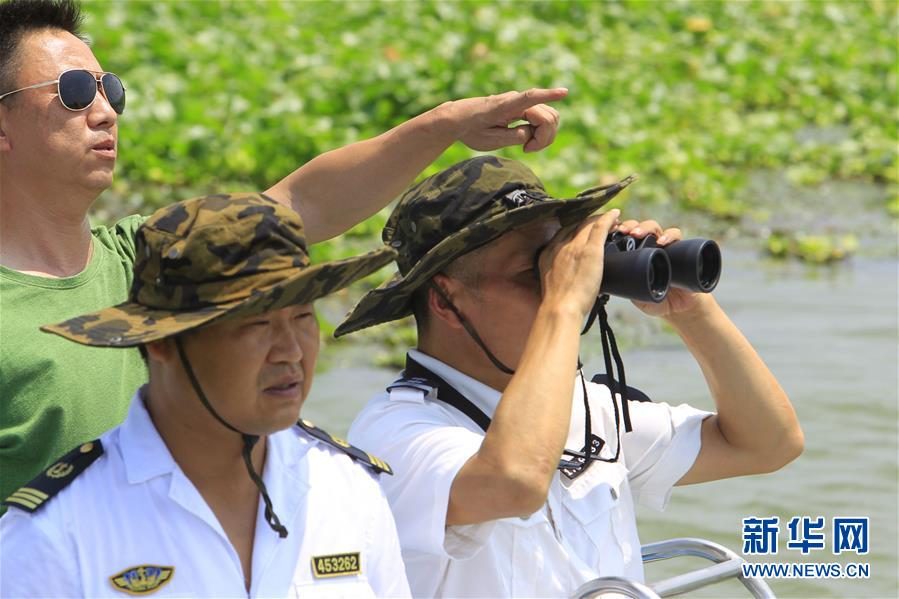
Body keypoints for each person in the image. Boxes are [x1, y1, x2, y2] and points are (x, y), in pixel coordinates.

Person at [0, 0, 565, 504]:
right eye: (74, 92)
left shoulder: (147, 261)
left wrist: (447, 124)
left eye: (110, 89)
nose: (105, 112)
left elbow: (301, 203)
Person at [335, 155, 804, 597]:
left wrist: (693, 313)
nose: (561, 282)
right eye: (532, 273)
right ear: (445, 300)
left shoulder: (585, 408)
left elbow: (768, 444)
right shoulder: (397, 433)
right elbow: (514, 481)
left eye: (558, 266)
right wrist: (562, 303)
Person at [1, 193, 411, 597]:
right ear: (162, 343)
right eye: (257, 324)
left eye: (303, 316)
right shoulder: (57, 533)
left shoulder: (346, 488)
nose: (291, 351)